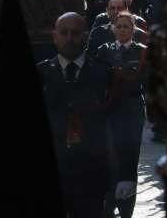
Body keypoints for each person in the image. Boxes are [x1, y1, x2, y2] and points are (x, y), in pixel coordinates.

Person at [37, 12, 115, 217]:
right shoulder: (42, 73)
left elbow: (116, 125)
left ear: (86, 36)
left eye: (75, 33)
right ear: (54, 36)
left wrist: (121, 174)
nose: (70, 38)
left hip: (92, 174)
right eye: (64, 33)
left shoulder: (103, 73)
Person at [93, 12, 147, 218]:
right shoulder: (103, 51)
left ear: (133, 29)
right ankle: (109, 203)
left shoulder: (142, 52)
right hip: (111, 109)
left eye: (127, 26)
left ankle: (127, 207)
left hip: (133, 110)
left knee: (130, 157)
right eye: (119, 26)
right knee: (110, 154)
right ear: (113, 28)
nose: (123, 30)